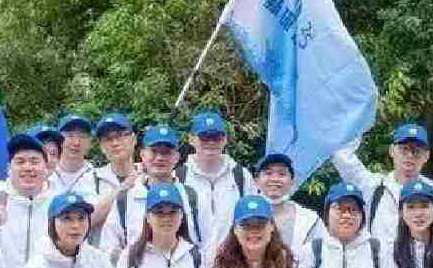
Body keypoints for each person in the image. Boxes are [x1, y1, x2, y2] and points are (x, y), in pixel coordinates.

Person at [99, 125, 206, 258]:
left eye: (166, 152)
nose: (160, 158)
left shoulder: (192, 197)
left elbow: (208, 245)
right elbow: (108, 247)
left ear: (177, 157)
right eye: (154, 151)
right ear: (142, 155)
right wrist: (128, 264)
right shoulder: (126, 199)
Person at [331, 123, 433, 243]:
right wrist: (362, 122)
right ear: (392, 151)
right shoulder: (373, 185)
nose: (410, 155)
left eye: (416, 151)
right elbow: (341, 155)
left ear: (426, 156)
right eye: (404, 149)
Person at [177, 110, 252, 239]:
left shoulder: (241, 176)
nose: (211, 142)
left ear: (225, 140)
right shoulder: (178, 177)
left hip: (233, 251)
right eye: (204, 137)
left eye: (216, 137)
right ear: (191, 139)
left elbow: (251, 218)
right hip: (191, 252)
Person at [0, 133, 52, 268]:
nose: (27, 167)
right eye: (20, 162)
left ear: (46, 168)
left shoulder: (58, 206)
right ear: (9, 168)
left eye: (34, 162)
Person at [80, 112, 138, 238]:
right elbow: (85, 222)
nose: (115, 143)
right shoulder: (90, 179)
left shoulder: (150, 176)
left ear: (134, 139)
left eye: (120, 136)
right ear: (101, 146)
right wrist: (124, 187)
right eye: (107, 139)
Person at [250, 151, 323, 250]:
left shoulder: (309, 220)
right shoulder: (242, 215)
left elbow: (321, 253)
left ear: (292, 181)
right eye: (268, 173)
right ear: (256, 181)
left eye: (282, 174)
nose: (275, 179)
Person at [46, 114, 99, 195]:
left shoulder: (99, 177)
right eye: (70, 136)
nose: (76, 143)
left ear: (90, 143)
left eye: (82, 136)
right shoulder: (45, 174)